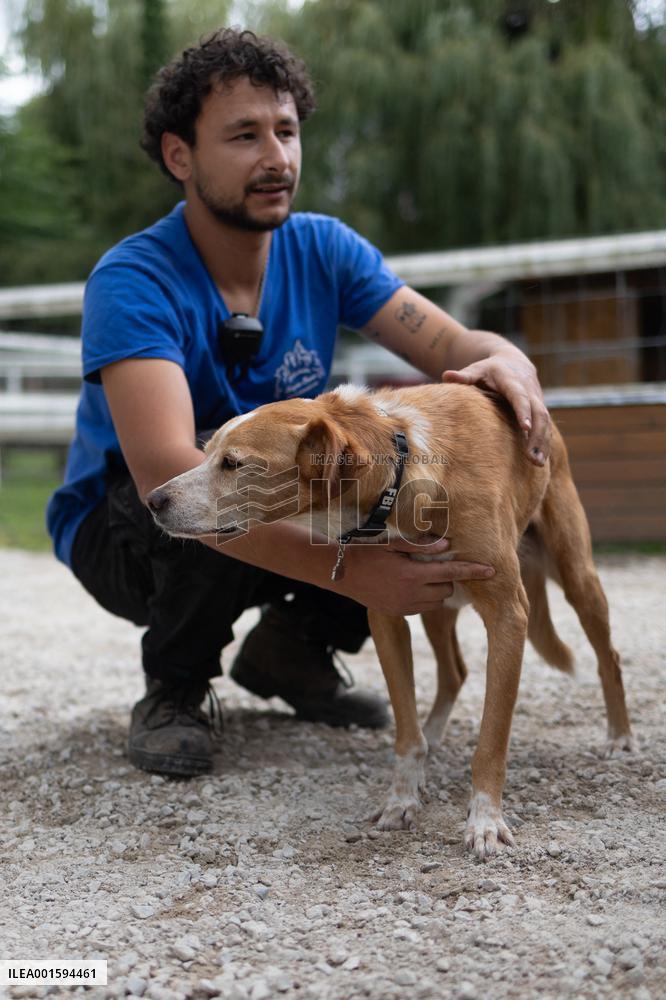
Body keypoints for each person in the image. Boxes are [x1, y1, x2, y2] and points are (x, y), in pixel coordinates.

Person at [47, 27, 551, 778]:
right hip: (128, 524)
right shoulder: (134, 281)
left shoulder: (324, 249)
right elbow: (162, 469)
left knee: (386, 479)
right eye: (244, 135)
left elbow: (455, 349)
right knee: (219, 490)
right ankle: (176, 686)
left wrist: (511, 363)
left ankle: (291, 650)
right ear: (180, 155)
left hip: (266, 490)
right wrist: (353, 572)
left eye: (286, 130)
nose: (277, 158)